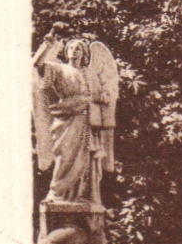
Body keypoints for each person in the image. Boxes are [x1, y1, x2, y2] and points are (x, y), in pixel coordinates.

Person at [32, 37, 118, 207]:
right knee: (65, 157)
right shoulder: (58, 69)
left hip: (87, 121)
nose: (74, 51)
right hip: (66, 120)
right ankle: (57, 193)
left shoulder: (89, 73)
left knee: (87, 160)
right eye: (71, 48)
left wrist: (103, 96)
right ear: (66, 52)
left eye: (78, 48)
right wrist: (48, 44)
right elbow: (38, 65)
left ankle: (85, 195)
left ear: (84, 53)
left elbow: (99, 96)